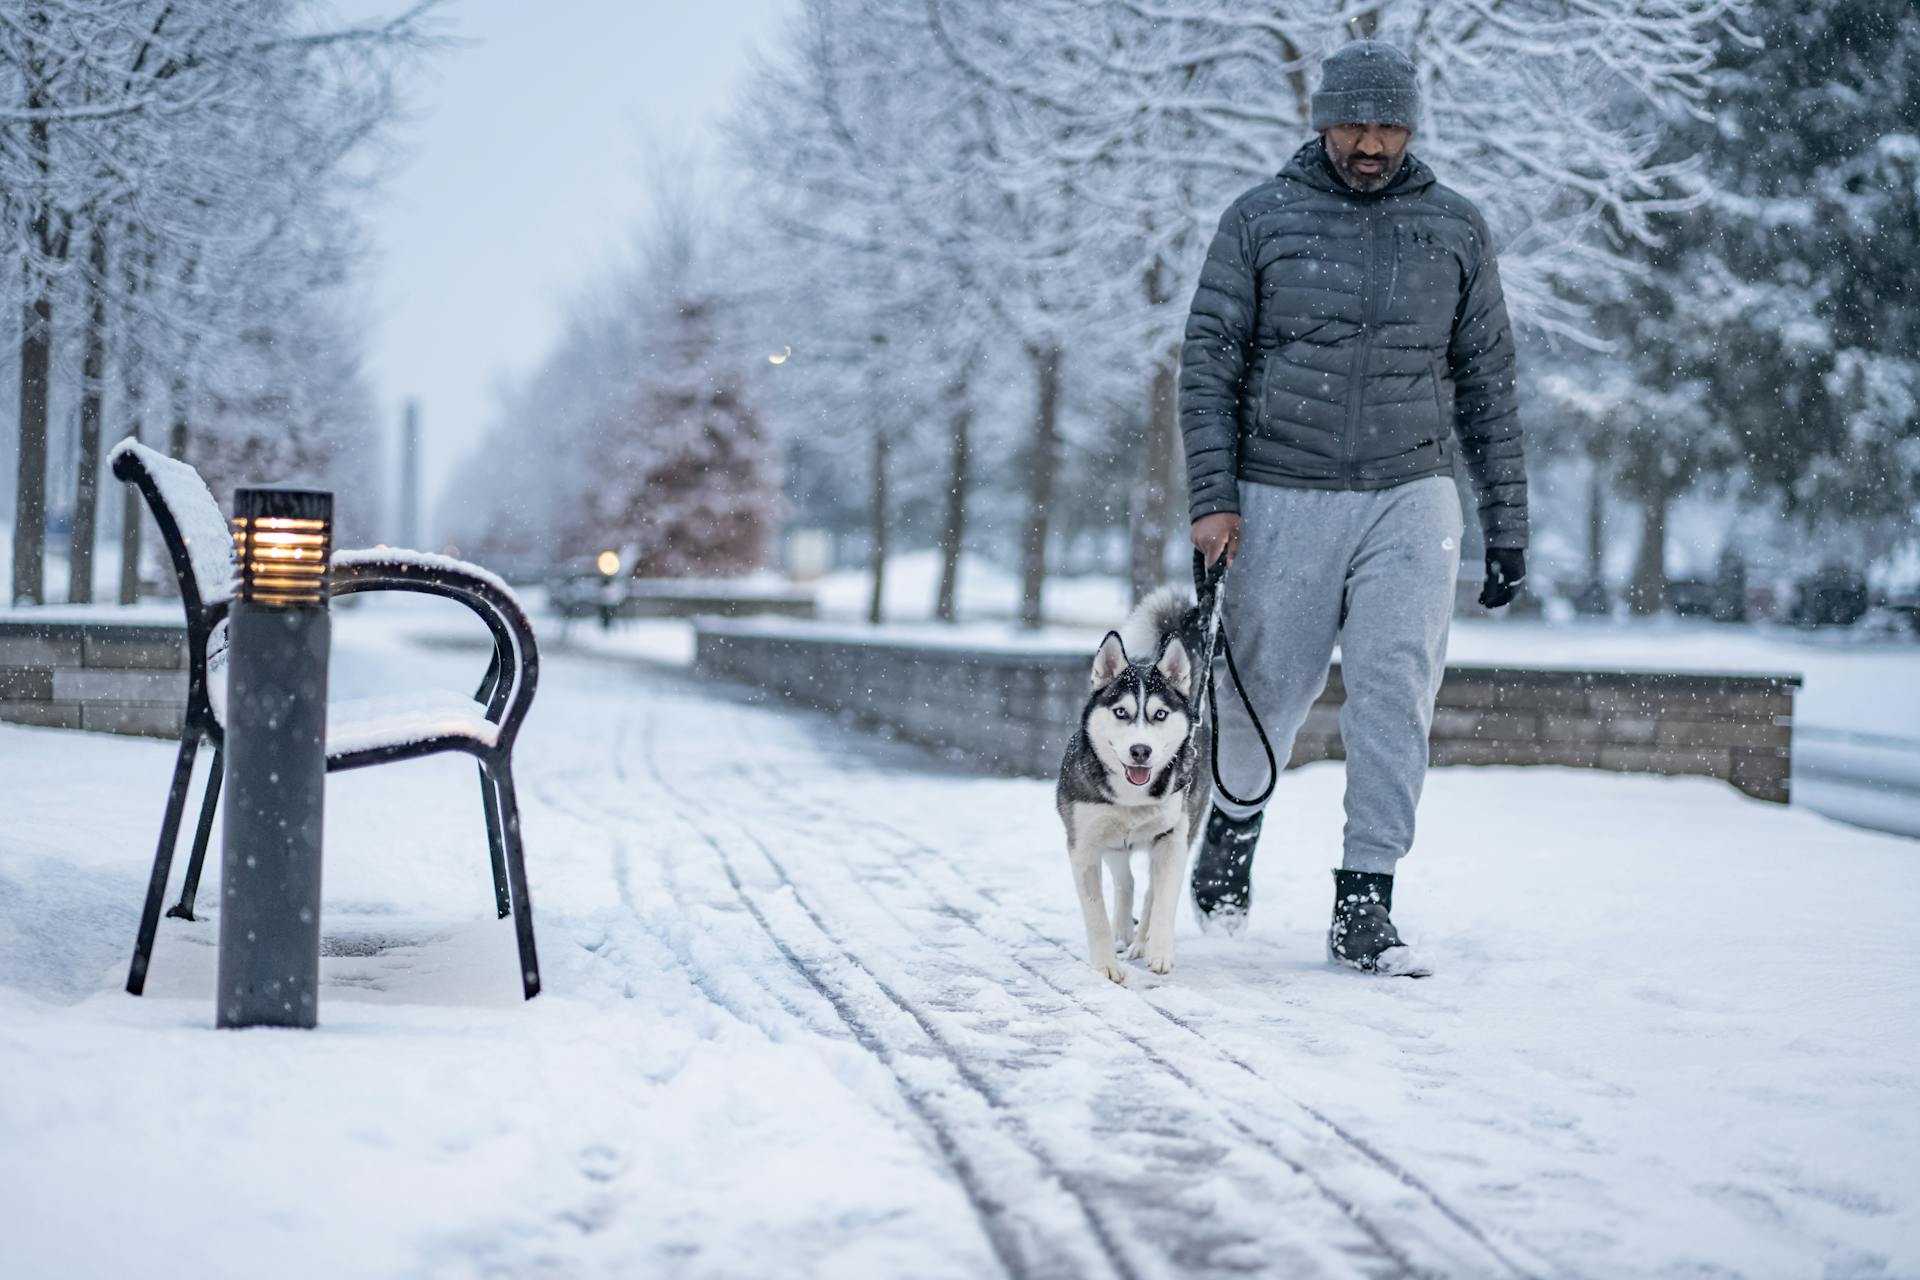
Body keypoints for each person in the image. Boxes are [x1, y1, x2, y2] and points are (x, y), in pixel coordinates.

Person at [1179, 38, 1528, 973]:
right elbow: (1207, 362)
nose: (1371, 143)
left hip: (1412, 492)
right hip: (1280, 489)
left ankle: (1366, 898)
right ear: (1323, 120)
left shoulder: (1455, 227)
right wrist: (1212, 500)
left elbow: (1487, 380)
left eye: (1389, 124)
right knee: (1266, 694)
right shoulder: (1259, 219)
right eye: (1354, 123)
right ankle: (1235, 826)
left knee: (1394, 694)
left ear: (1411, 127)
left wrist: (1508, 524)